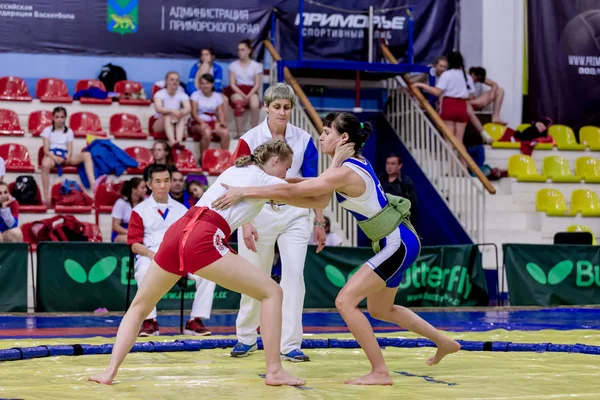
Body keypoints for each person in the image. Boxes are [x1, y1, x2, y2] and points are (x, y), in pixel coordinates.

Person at [212, 112, 461, 385]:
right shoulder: (346, 165)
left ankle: (380, 372)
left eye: (326, 132)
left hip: (397, 242)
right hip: (396, 241)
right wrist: (264, 186)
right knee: (381, 310)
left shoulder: (345, 171)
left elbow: (302, 192)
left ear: (343, 138)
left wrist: (245, 191)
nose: (321, 136)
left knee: (345, 301)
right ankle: (443, 342)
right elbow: (311, 191)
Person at [88, 141, 308, 387]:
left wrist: (247, 212)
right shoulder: (265, 180)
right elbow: (305, 195)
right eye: (286, 168)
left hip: (178, 231)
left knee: (139, 305)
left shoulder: (236, 169)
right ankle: (275, 370)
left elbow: (275, 189)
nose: (286, 175)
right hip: (204, 236)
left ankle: (109, 371)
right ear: (275, 161)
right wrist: (335, 174)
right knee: (272, 292)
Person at [229, 83, 326, 362]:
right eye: (277, 107)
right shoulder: (249, 139)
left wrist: (319, 222)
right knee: (253, 276)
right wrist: (244, 222)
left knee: (294, 276)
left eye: (287, 107)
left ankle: (290, 343)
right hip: (256, 214)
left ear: (292, 109)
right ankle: (246, 337)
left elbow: (313, 186)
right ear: (267, 108)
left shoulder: (306, 140)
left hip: (296, 213)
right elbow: (238, 181)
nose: (282, 112)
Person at [125, 164, 212, 337]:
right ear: (149, 184)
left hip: (178, 254)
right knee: (142, 271)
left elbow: (189, 237)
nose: (163, 186)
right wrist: (152, 255)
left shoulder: (183, 210)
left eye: (166, 181)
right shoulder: (139, 211)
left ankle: (195, 320)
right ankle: (150, 321)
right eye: (158, 181)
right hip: (150, 254)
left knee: (208, 273)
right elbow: (134, 244)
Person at [413, 51, 474, 167]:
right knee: (459, 141)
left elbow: (437, 91)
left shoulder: (447, 75)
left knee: (450, 141)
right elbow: (471, 95)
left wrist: (422, 85)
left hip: (449, 106)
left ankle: (452, 170)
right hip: (462, 107)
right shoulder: (466, 76)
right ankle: (464, 167)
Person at [40, 107, 97, 204]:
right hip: (52, 156)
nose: (59, 119)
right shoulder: (47, 130)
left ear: (65, 118)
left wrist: (66, 157)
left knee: (87, 155)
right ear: (53, 118)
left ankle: (93, 184)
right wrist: (55, 158)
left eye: (62, 117)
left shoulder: (69, 131)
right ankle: (46, 197)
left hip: (65, 156)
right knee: (45, 164)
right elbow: (46, 150)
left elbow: (70, 150)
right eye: (57, 117)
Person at [224, 39, 263, 137]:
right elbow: (232, 84)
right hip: (237, 89)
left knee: (254, 104)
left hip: (251, 90)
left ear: (249, 51)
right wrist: (243, 95)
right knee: (239, 103)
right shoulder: (233, 65)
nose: (240, 52)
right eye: (239, 50)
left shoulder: (256, 66)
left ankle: (254, 133)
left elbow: (257, 84)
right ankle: (240, 134)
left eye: (242, 50)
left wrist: (248, 95)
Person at [190, 74, 230, 163]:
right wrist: (202, 123)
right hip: (197, 122)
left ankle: (224, 159)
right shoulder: (195, 95)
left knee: (225, 132)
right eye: (202, 83)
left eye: (207, 83)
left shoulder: (217, 96)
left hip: (212, 121)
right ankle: (203, 159)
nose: (204, 86)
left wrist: (222, 122)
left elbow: (220, 112)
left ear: (212, 84)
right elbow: (194, 112)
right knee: (207, 132)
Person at [379, 154, 418, 229]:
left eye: (393, 163)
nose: (389, 166)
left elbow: (412, 204)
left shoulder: (405, 182)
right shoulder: (380, 179)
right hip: (382, 222)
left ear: (399, 166)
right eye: (387, 163)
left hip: (400, 223)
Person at [153, 72, 192, 148]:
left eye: (177, 80)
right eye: (172, 79)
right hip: (159, 123)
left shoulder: (182, 95)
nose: (175, 82)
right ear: (166, 81)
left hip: (175, 122)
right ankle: (173, 142)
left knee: (181, 116)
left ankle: (179, 142)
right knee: (168, 116)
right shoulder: (159, 94)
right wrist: (172, 111)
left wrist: (180, 112)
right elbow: (158, 109)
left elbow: (188, 108)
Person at [111, 178, 146, 243]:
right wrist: (131, 233)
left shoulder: (145, 202)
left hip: (139, 233)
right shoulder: (121, 203)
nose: (145, 190)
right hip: (121, 234)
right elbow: (115, 226)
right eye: (142, 188)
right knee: (136, 241)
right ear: (134, 190)